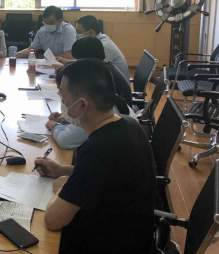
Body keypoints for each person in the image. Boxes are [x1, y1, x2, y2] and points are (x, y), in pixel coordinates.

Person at [35, 59, 156, 254]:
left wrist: (63, 186)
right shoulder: (128, 123)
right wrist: (61, 170)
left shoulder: (98, 149)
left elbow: (52, 220)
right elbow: (105, 175)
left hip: (107, 245)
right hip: (136, 238)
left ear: (82, 105)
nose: (62, 102)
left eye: (62, 96)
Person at [46, 58, 136, 150]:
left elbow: (66, 141)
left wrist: (54, 126)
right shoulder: (106, 105)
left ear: (82, 104)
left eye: (63, 94)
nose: (63, 101)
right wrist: (65, 117)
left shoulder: (93, 132)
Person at [74, 15, 130, 81]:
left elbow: (91, 72)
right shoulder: (99, 40)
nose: (76, 35)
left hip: (116, 86)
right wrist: (68, 63)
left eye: (79, 32)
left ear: (91, 32)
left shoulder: (103, 46)